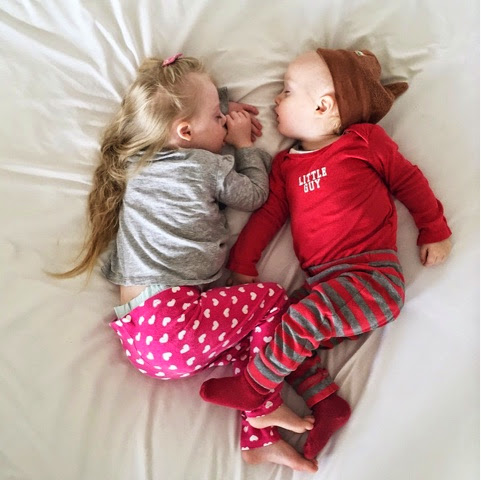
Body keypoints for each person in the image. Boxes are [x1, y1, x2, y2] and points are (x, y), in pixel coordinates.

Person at [56, 53, 319, 472]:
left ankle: (258, 439)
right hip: (174, 319)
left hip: (145, 341)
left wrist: (221, 108)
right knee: (271, 300)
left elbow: (185, 112)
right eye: (218, 117)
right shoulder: (204, 164)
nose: (224, 123)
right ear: (185, 131)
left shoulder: (135, 165)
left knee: (252, 344)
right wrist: (243, 145)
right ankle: (262, 406)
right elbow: (254, 196)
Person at [200, 48, 453, 459]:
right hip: (325, 287)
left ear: (323, 106)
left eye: (287, 91)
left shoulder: (364, 142)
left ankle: (253, 386)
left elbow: (409, 181)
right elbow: (268, 217)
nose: (276, 99)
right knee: (280, 332)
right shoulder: (286, 166)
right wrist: (243, 263)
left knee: (302, 320)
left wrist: (434, 228)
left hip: (372, 280)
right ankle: (326, 403)